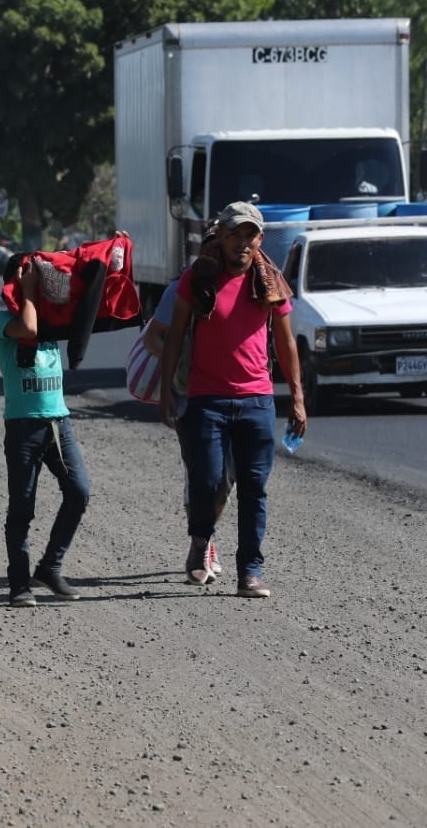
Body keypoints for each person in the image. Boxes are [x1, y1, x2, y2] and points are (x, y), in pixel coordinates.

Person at [160, 201, 307, 598]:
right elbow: (174, 336)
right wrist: (165, 392)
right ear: (220, 236)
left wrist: (296, 398)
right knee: (207, 481)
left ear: (259, 239)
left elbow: (286, 342)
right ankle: (200, 540)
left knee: (254, 489)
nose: (242, 243)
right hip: (206, 400)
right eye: (235, 234)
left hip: (256, 401)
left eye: (250, 235)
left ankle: (250, 572)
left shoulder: (270, 281)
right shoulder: (199, 278)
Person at [0, 256, 90, 607]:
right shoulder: (3, 320)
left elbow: (89, 305)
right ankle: (19, 584)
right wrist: (29, 290)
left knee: (78, 492)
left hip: (58, 422)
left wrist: (111, 261)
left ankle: (50, 566)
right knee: (22, 508)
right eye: (29, 277)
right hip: (23, 426)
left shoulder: (51, 319)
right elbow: (30, 330)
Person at [143, 278, 234, 576]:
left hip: (238, 400)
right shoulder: (183, 287)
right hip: (191, 400)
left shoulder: (252, 283)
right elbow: (152, 338)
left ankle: (205, 534)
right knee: (200, 475)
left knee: (225, 482)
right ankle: (202, 543)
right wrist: (184, 361)